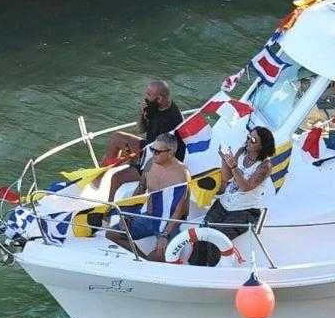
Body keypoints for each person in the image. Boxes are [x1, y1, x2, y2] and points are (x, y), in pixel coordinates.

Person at [105, 133, 191, 261]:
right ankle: (142, 259)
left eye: (157, 151)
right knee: (112, 234)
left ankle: (150, 262)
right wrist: (128, 215)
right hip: (148, 215)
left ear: (170, 152)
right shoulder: (150, 164)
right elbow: (140, 188)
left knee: (165, 255)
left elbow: (179, 210)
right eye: (152, 150)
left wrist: (165, 235)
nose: (153, 154)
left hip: (168, 222)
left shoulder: (181, 174)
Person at [204, 126, 276, 234]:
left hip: (245, 210)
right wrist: (225, 160)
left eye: (252, 140)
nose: (248, 141)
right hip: (225, 203)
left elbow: (246, 187)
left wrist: (233, 167)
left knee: (218, 239)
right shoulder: (242, 152)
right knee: (203, 232)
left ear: (262, 146)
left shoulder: (265, 166)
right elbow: (227, 177)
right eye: (248, 137)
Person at [100, 80, 185, 167]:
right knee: (116, 137)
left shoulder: (170, 120)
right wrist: (142, 113)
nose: (145, 97)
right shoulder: (155, 106)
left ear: (159, 98)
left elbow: (164, 151)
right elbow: (141, 130)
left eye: (149, 95)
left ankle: (110, 170)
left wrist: (132, 156)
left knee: (126, 160)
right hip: (150, 145)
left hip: (159, 154)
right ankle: (104, 169)